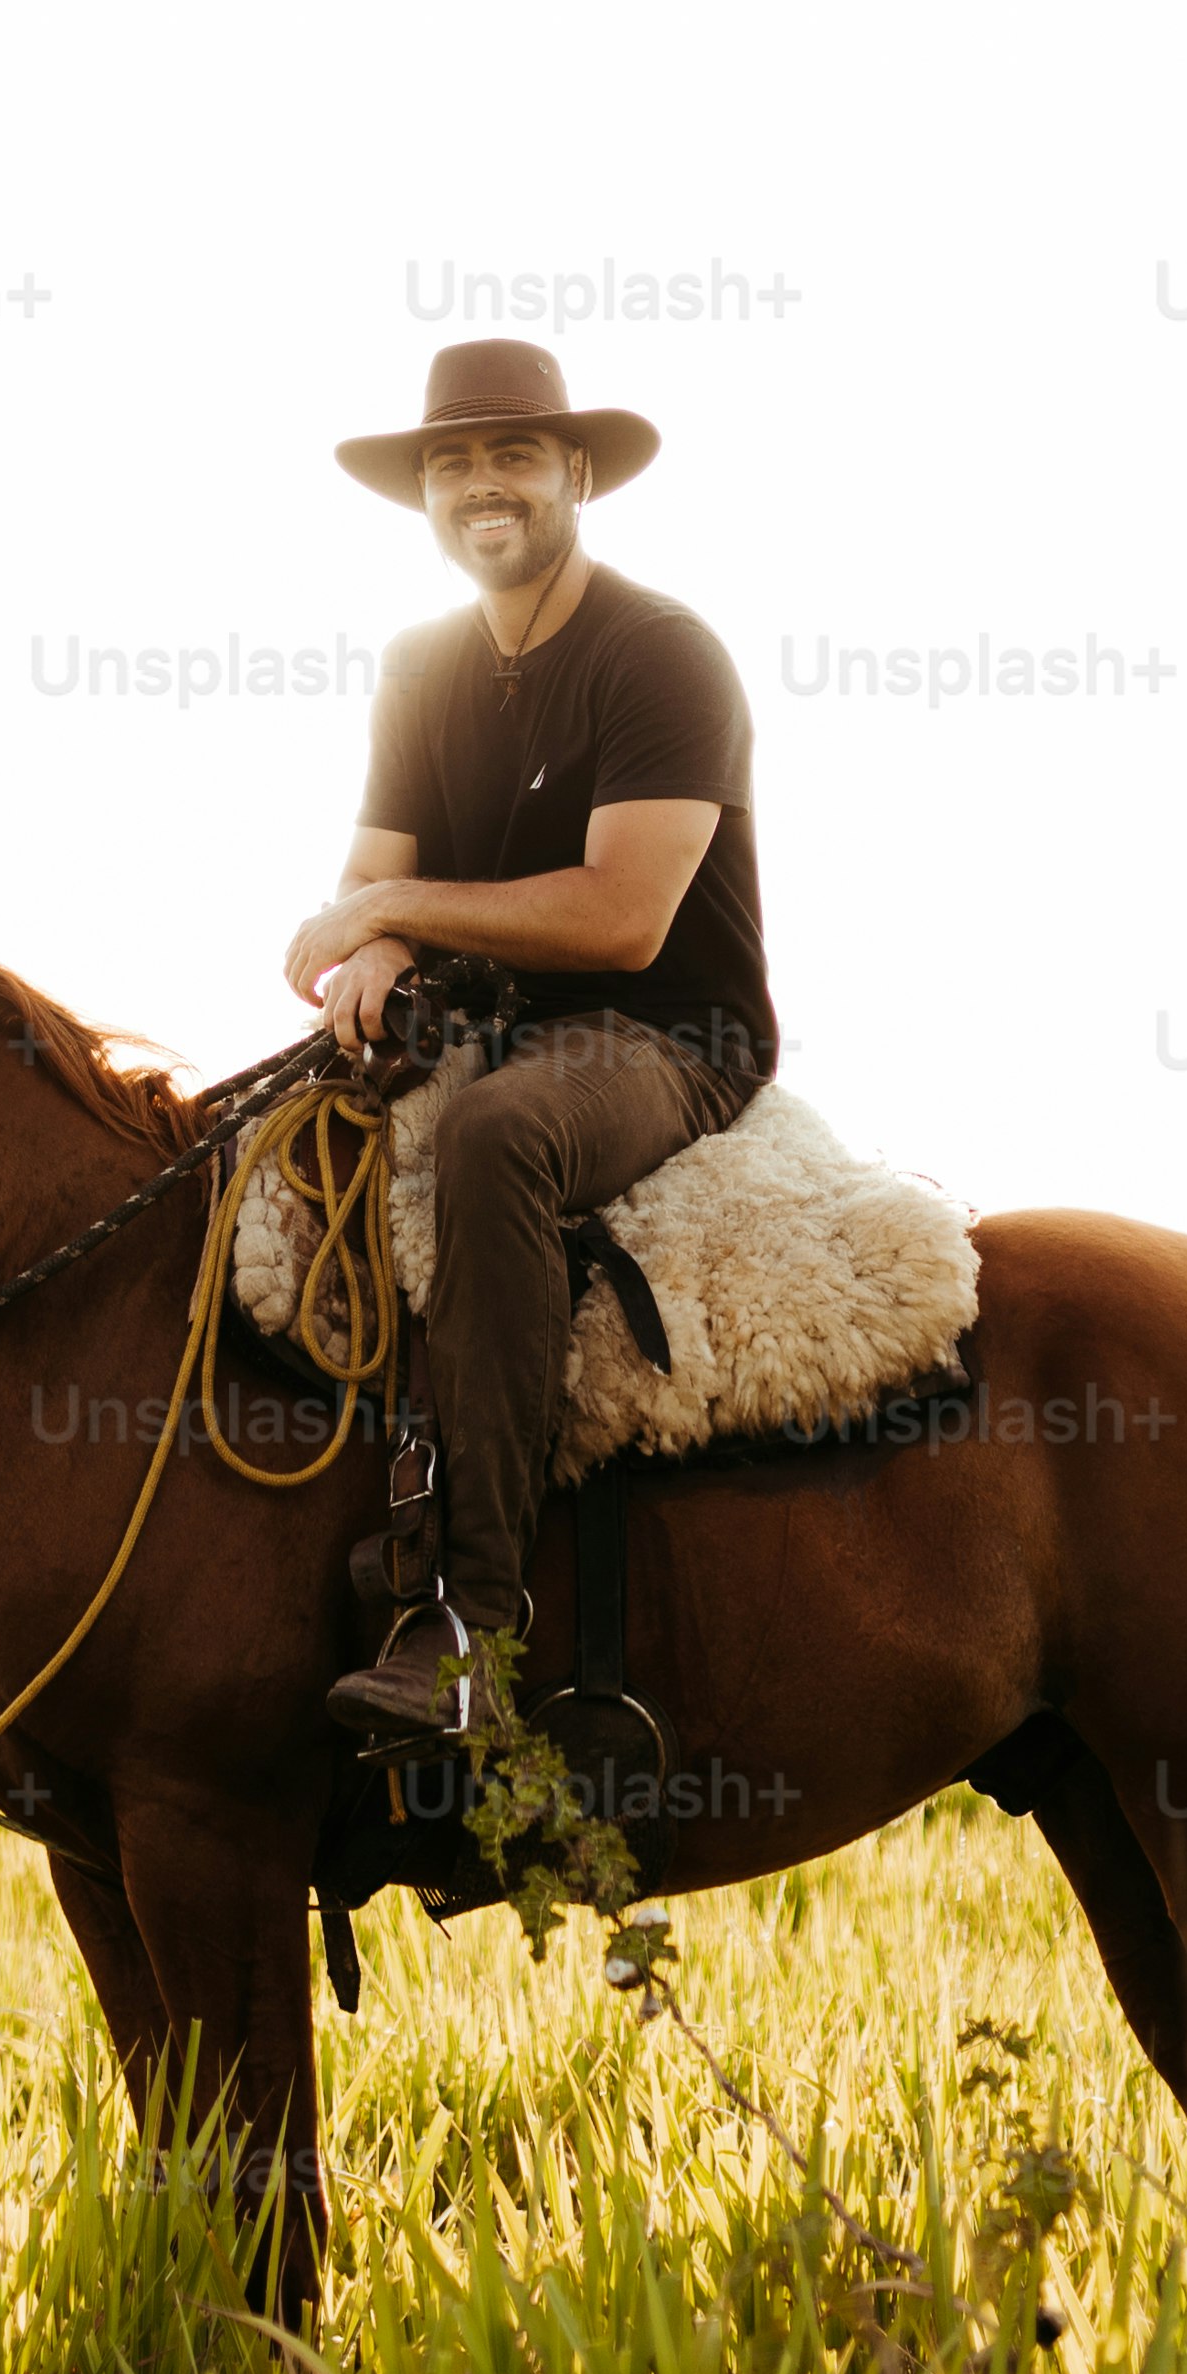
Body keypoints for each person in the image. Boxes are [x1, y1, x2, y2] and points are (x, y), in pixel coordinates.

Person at [284, 340, 777, 1742]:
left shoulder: (660, 654)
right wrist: (376, 943)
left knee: (500, 1138)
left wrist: (384, 908)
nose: (477, 485)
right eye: (449, 462)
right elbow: (375, 883)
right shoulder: (419, 668)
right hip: (483, 1024)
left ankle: (468, 1618)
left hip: (662, 1032)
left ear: (573, 474)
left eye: (510, 456)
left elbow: (623, 917)